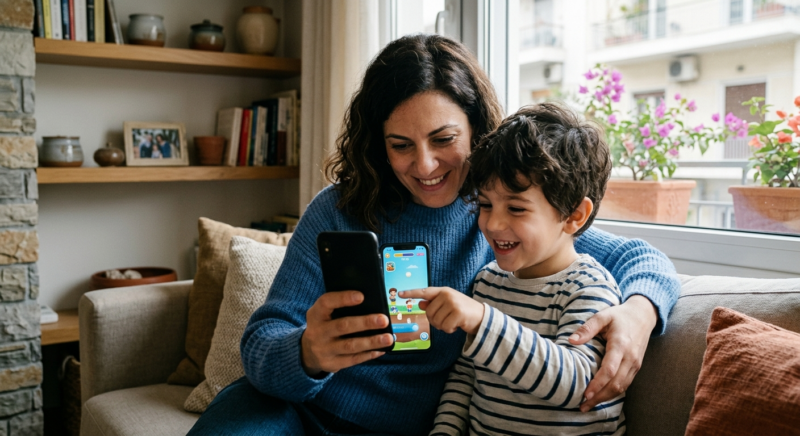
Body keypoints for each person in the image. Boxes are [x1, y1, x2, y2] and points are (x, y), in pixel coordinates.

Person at [188, 34, 680, 436]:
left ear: (477, 130)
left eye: (443, 140)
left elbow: (642, 257)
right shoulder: (339, 209)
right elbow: (259, 346)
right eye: (401, 145)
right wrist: (307, 353)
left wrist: (640, 312)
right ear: (379, 146)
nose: (424, 166)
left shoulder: (501, 217)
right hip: (293, 413)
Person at [403, 103, 624, 435]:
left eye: (517, 208)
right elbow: (466, 375)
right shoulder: (488, 283)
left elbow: (578, 384)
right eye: (486, 204)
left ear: (574, 215)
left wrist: (482, 320)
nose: (493, 223)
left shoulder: (588, 287)